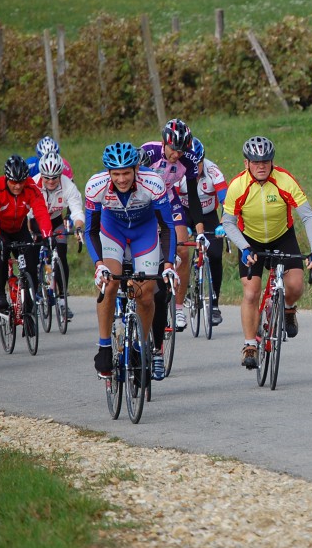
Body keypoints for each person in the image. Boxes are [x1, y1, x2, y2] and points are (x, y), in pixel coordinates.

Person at [222, 136, 312, 370]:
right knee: (251, 292)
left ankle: (287, 309)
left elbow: (307, 215)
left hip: (282, 237)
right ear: (246, 163)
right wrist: (243, 247)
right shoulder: (238, 185)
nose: (261, 166)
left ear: (272, 162)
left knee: (296, 286)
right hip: (250, 241)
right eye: (256, 162)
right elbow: (228, 222)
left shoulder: (285, 181)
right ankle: (249, 345)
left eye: (266, 161)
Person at [85, 142, 178, 379]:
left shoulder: (153, 182)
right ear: (108, 172)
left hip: (143, 233)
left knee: (145, 293)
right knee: (110, 283)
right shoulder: (95, 187)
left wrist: (167, 264)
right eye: (116, 174)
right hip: (112, 231)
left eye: (126, 172)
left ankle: (140, 345)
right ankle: (105, 346)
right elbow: (90, 230)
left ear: (136, 168)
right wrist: (99, 264)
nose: (122, 179)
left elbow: (167, 226)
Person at [141, 119, 208, 334]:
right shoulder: (148, 152)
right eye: (172, 149)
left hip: (169, 200)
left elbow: (195, 199)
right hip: (145, 202)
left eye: (181, 150)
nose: (176, 154)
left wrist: (199, 233)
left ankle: (178, 308)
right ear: (163, 142)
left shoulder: (188, 160)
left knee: (183, 250)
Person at [0, 155, 53, 337]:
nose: (17, 186)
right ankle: (0, 293)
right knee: (2, 254)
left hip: (20, 228)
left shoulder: (31, 187)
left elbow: (40, 211)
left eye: (21, 181)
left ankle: (29, 314)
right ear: (7, 179)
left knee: (30, 268)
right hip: (0, 229)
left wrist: (47, 234)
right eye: (14, 182)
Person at [174, 137, 229, 326]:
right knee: (180, 252)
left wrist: (223, 223)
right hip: (184, 214)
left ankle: (214, 304)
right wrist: (182, 225)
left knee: (214, 254)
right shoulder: (178, 174)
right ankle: (182, 290)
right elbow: (170, 201)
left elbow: (227, 203)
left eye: (198, 163)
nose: (195, 168)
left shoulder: (213, 171)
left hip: (209, 215)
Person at [30, 151, 85, 320]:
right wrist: (30, 233)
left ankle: (62, 300)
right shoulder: (32, 184)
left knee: (61, 255)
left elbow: (76, 209)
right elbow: (25, 213)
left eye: (55, 177)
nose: (51, 181)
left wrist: (78, 228)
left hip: (55, 221)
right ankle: (32, 297)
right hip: (35, 222)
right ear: (42, 175)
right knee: (32, 256)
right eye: (47, 178)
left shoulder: (67, 185)